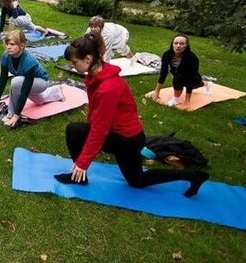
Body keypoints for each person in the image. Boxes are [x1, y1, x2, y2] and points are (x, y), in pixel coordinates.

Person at [53, 34, 209, 196]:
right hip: (118, 134)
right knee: (75, 130)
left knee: (137, 180)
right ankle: (78, 177)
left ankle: (194, 176)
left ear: (88, 59)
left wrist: (83, 163)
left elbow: (100, 129)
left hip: (127, 140)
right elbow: (96, 116)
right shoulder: (98, 73)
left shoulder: (108, 88)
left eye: (74, 62)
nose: (72, 66)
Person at [0, 31, 64, 128]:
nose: (8, 47)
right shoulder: (6, 56)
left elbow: (25, 90)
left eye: (12, 44)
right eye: (7, 44)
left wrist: (16, 115)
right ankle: (56, 91)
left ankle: (10, 114)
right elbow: (2, 81)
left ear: (22, 46)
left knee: (16, 82)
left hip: (41, 82)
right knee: (39, 101)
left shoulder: (28, 61)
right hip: (27, 81)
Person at [151, 34, 207, 108]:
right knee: (178, 77)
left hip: (193, 78)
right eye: (176, 43)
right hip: (179, 77)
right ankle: (176, 99)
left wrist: (187, 100)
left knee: (191, 82)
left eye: (182, 44)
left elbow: (191, 76)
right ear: (172, 44)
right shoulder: (167, 54)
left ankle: (205, 84)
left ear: (186, 46)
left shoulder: (192, 57)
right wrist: (156, 91)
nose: (178, 46)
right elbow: (163, 73)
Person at [0, 0, 66, 38]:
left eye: (2, 2)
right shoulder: (4, 8)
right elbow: (2, 20)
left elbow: (15, 16)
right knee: (34, 28)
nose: (1, 3)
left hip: (25, 18)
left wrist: (15, 7)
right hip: (23, 20)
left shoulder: (14, 4)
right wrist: (0, 33)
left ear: (7, 2)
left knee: (12, 19)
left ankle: (10, 37)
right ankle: (45, 31)